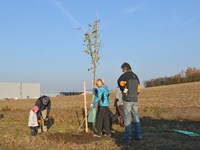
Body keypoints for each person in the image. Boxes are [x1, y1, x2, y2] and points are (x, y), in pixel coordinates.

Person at [117, 62, 142, 141]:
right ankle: (139, 135)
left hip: (127, 99)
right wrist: (135, 94)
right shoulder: (136, 76)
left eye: (122, 70)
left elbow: (119, 82)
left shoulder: (124, 76)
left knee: (127, 117)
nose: (122, 71)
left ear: (125, 69)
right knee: (136, 116)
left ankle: (128, 136)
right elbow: (139, 89)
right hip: (135, 99)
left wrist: (124, 91)